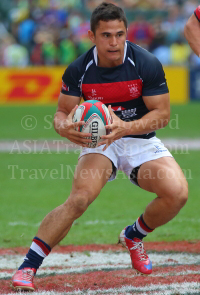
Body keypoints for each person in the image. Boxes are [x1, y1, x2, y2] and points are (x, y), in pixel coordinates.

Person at [12, 2, 188, 291]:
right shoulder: (79, 69)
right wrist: (64, 127)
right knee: (79, 199)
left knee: (178, 193)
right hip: (99, 140)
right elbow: (61, 113)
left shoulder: (146, 63)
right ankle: (28, 267)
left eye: (120, 34)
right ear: (92, 36)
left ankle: (133, 235)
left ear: (127, 33)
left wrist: (126, 127)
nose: (114, 42)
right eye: (106, 35)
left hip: (138, 137)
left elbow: (162, 115)